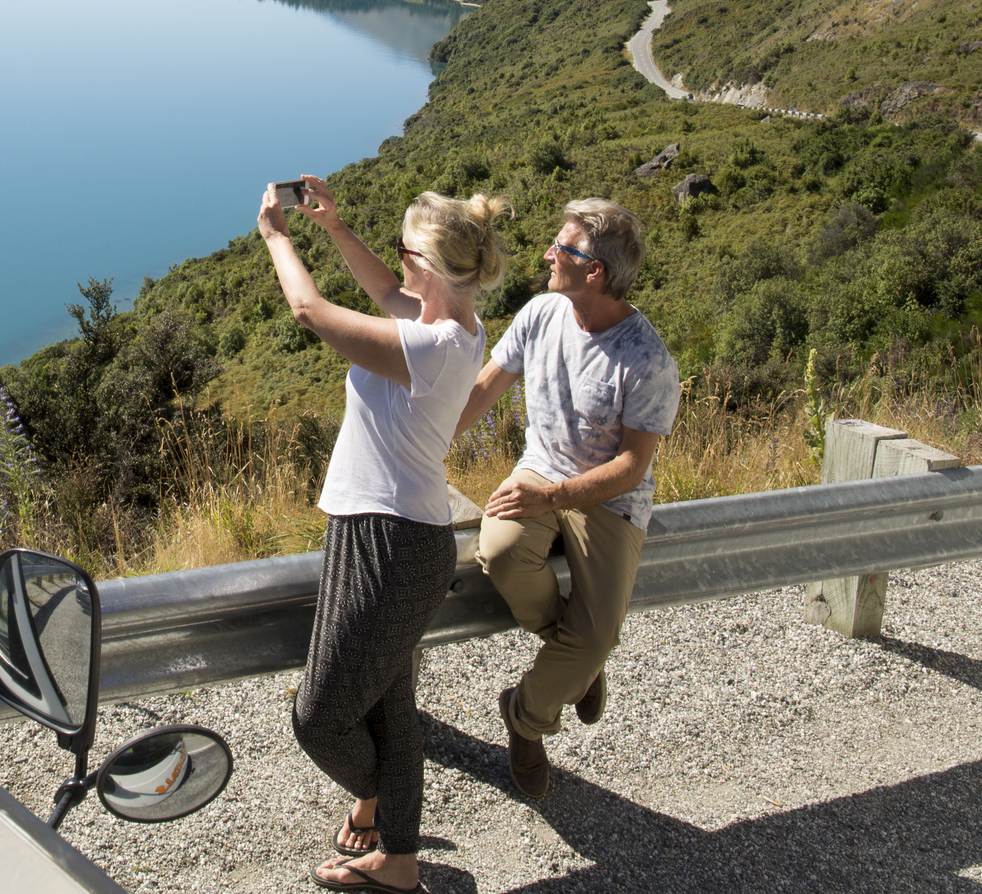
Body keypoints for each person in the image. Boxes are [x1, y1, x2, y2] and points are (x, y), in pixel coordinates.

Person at [257, 174, 509, 894]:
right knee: (389, 709)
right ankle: (397, 860)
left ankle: (383, 810)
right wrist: (334, 228)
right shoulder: (458, 328)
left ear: (428, 267)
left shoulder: (428, 349)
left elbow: (309, 309)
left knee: (321, 719)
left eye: (403, 250)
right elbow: (385, 297)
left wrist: (277, 236)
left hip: (389, 543)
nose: (395, 260)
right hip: (390, 533)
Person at [455, 197, 678, 800]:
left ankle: (525, 717)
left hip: (609, 499)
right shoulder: (542, 313)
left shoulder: (646, 359)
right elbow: (485, 387)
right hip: (541, 469)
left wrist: (552, 499)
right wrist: (427, 439)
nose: (549, 254)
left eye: (564, 248)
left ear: (596, 270)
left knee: (597, 635)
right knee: (500, 554)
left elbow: (632, 467)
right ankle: (577, 665)